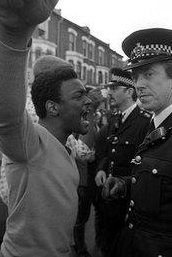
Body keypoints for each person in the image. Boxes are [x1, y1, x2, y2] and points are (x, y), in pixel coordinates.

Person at [0, 0, 92, 256]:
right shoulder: (33, 143)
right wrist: (11, 33)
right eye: (79, 95)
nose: (89, 101)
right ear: (52, 108)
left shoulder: (66, 147)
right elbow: (4, 118)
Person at [102, 28, 172, 257]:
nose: (138, 84)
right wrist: (126, 183)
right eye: (136, 76)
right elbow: (166, 187)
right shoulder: (158, 123)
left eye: (148, 74)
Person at [94, 67, 151, 257]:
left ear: (128, 91)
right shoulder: (114, 119)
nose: (109, 92)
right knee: (105, 243)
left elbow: (144, 164)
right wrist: (101, 169)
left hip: (126, 202)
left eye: (115, 87)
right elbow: (108, 152)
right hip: (107, 199)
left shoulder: (145, 122)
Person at [73, 87, 104, 257]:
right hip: (83, 178)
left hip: (91, 176)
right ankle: (80, 250)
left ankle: (98, 243)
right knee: (81, 217)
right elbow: (83, 152)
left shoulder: (92, 117)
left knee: (92, 212)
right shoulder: (83, 117)